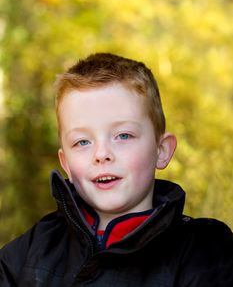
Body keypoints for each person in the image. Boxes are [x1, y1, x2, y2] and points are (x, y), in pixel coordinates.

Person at [0, 52, 232, 286]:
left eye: (123, 135)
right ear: (66, 164)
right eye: (82, 142)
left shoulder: (203, 251)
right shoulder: (35, 247)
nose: (101, 154)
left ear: (161, 151)